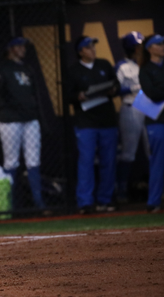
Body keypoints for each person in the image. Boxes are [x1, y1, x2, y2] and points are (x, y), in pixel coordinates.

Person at [0, 37, 49, 214]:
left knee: (33, 161)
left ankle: (39, 203)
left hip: (30, 119)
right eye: (19, 46)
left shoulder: (27, 68)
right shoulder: (1, 68)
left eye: (23, 46)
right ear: (10, 48)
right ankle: (12, 206)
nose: (23, 49)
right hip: (10, 119)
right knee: (11, 162)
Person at [68, 36, 119, 214]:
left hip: (107, 120)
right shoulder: (73, 70)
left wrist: (114, 89)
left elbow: (116, 85)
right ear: (81, 51)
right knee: (86, 162)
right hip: (86, 122)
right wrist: (79, 96)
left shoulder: (104, 64)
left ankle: (105, 200)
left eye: (93, 47)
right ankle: (85, 202)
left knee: (109, 161)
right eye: (89, 47)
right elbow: (68, 95)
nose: (93, 50)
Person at [139, 34, 164, 213]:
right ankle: (154, 202)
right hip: (157, 120)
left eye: (163, 44)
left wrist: (162, 89)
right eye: (158, 44)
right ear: (150, 48)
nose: (163, 47)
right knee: (157, 161)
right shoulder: (145, 69)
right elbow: (151, 93)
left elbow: (158, 91)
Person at [115, 31, 148, 203]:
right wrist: (133, 88)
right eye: (137, 46)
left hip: (149, 107)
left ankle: (160, 188)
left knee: (153, 150)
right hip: (131, 106)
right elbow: (114, 90)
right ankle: (121, 190)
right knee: (128, 152)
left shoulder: (147, 64)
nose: (140, 48)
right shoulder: (122, 66)